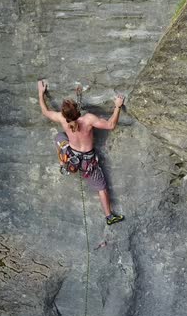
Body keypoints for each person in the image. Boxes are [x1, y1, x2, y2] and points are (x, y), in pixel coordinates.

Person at [37, 80, 125, 225]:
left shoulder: (62, 119)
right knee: (102, 188)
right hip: (88, 163)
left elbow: (45, 111)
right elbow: (110, 125)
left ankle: (62, 162)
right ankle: (109, 217)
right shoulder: (88, 119)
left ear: (65, 115)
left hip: (72, 156)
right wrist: (117, 107)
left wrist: (41, 93)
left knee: (59, 137)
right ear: (77, 111)